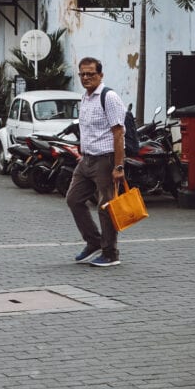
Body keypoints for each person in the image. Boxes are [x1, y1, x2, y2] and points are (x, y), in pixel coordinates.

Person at [65, 56, 126, 267]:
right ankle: (94, 242)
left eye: (91, 73)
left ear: (100, 75)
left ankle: (110, 253)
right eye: (82, 74)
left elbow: (119, 133)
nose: (86, 77)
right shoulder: (85, 97)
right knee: (73, 199)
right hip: (87, 159)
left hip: (105, 159)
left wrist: (119, 166)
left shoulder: (109, 97)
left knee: (106, 205)